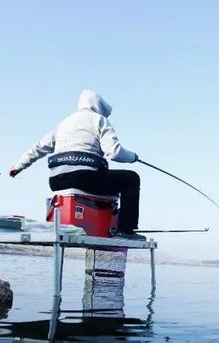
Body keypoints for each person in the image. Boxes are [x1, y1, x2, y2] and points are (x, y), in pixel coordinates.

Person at [9, 89, 144, 240]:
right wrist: (133, 157)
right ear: (98, 106)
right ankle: (126, 230)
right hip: (84, 178)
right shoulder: (99, 120)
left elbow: (38, 147)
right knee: (131, 178)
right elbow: (114, 152)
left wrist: (18, 166)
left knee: (107, 179)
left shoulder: (63, 123)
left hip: (57, 181)